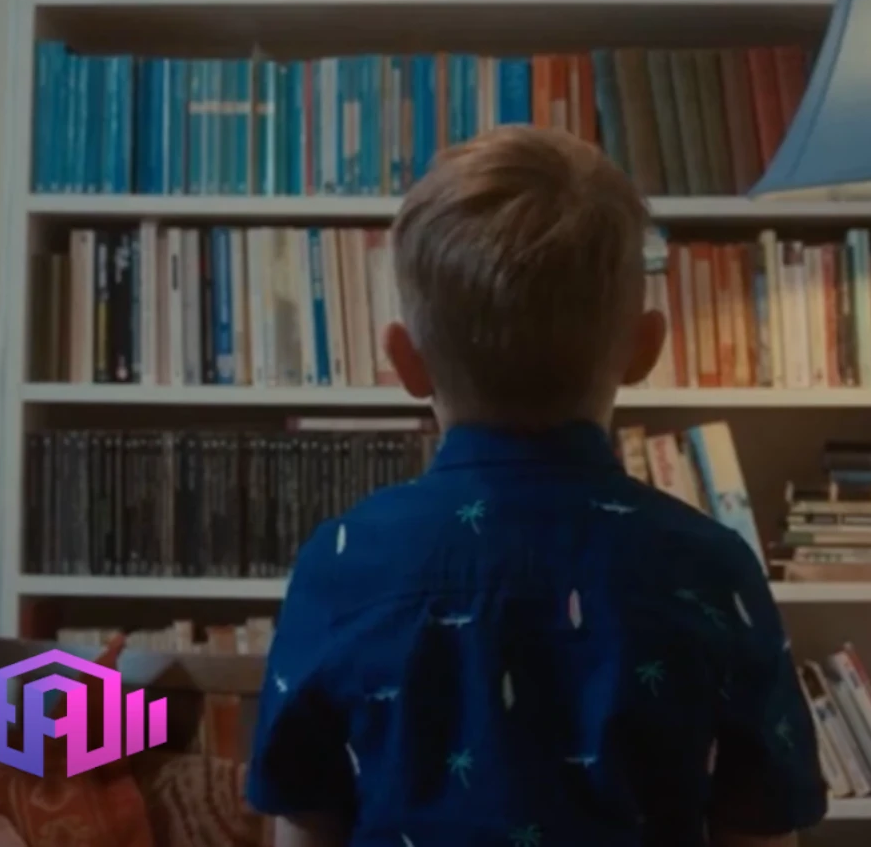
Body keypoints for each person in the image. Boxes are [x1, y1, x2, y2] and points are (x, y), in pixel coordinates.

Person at [246, 126, 828, 847]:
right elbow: (761, 826)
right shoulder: (711, 567)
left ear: (405, 361)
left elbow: (304, 822)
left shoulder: (341, 564)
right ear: (646, 348)